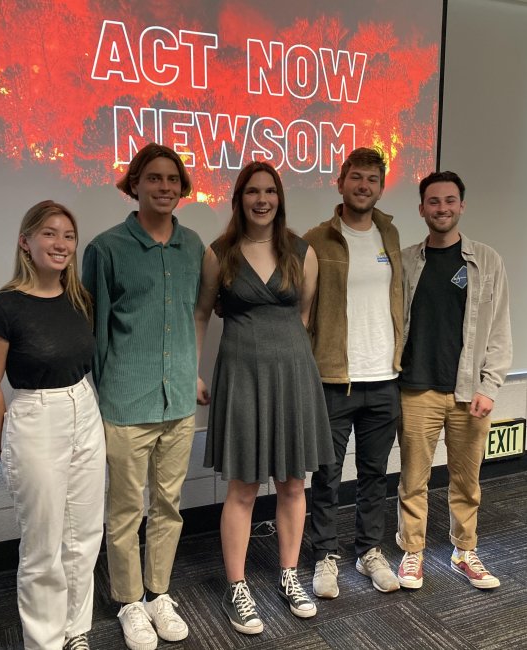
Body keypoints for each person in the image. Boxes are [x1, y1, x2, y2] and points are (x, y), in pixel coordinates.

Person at [195, 161, 334, 634]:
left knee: (294, 484)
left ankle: (289, 575)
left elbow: (304, 313)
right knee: (243, 488)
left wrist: (285, 362)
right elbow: (201, 315)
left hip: (293, 375)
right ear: (239, 198)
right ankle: (238, 588)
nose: (261, 199)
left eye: (269, 191)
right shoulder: (220, 254)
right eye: (252, 191)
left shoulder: (302, 251)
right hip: (242, 376)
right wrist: (194, 372)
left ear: (279, 197)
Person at [82, 143, 204, 650]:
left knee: (169, 504)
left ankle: (158, 594)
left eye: (172, 179)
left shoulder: (194, 245)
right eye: (153, 178)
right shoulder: (106, 249)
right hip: (126, 402)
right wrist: (100, 392)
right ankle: (130, 601)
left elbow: (195, 314)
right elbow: (94, 330)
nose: (164, 187)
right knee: (126, 507)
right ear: (134, 185)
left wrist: (191, 374)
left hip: (177, 402)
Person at [0, 200, 106, 650]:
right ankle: (44, 642)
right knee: (42, 545)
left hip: (84, 408)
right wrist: (4, 446)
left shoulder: (78, 299)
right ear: (25, 242)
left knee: (85, 534)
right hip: (35, 418)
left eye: (68, 235)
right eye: (49, 233)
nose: (61, 243)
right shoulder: (1, 309)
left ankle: (75, 631)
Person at [395, 171, 512, 590]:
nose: (441, 208)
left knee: (466, 480)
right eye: (433, 201)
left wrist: (490, 386)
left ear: (461, 205)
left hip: (468, 393)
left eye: (449, 201)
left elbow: (499, 330)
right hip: (416, 388)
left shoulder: (487, 260)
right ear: (422, 208)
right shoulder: (406, 260)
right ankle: (412, 553)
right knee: (413, 479)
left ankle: (465, 552)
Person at [303, 147, 403, 597]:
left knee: (374, 473)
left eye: (372, 180)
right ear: (340, 181)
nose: (364, 186)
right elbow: (304, 313)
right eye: (356, 177)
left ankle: (368, 551)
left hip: (384, 377)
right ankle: (325, 554)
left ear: (380, 188)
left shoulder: (390, 234)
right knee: (326, 474)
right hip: (333, 380)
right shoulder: (316, 239)